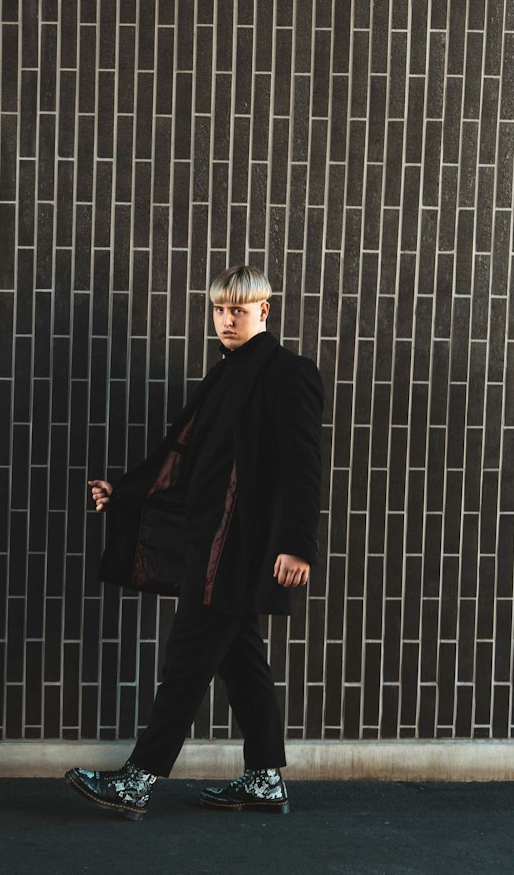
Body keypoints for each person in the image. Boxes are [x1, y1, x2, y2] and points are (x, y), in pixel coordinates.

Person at [65, 264, 323, 820]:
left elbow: (304, 465)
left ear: (264, 311)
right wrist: (127, 493)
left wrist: (297, 543)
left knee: (187, 659)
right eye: (219, 309)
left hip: (240, 548)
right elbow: (184, 459)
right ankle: (263, 779)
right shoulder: (225, 374)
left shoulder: (287, 373)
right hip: (208, 541)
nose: (227, 320)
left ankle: (138, 780)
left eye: (238, 309)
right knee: (241, 660)